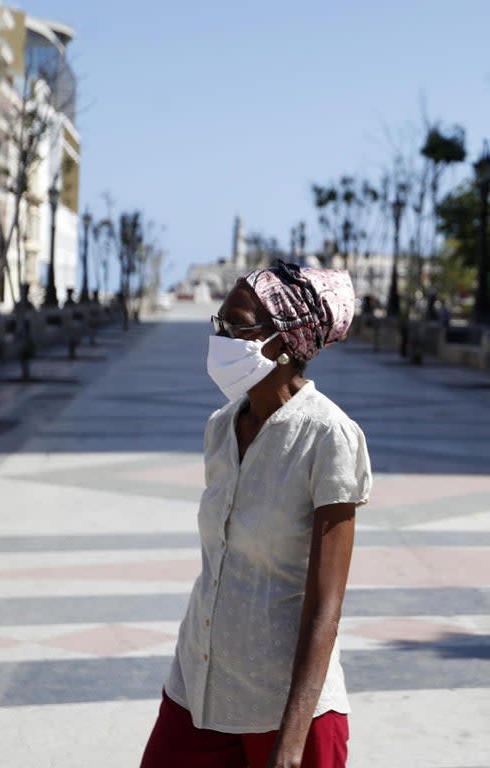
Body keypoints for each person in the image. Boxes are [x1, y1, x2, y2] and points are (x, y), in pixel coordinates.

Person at [140, 262, 372, 768]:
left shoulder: (328, 436)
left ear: (285, 342)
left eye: (235, 325)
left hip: (289, 712)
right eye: (217, 324)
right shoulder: (220, 427)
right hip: (198, 689)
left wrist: (290, 742)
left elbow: (324, 608)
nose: (220, 336)